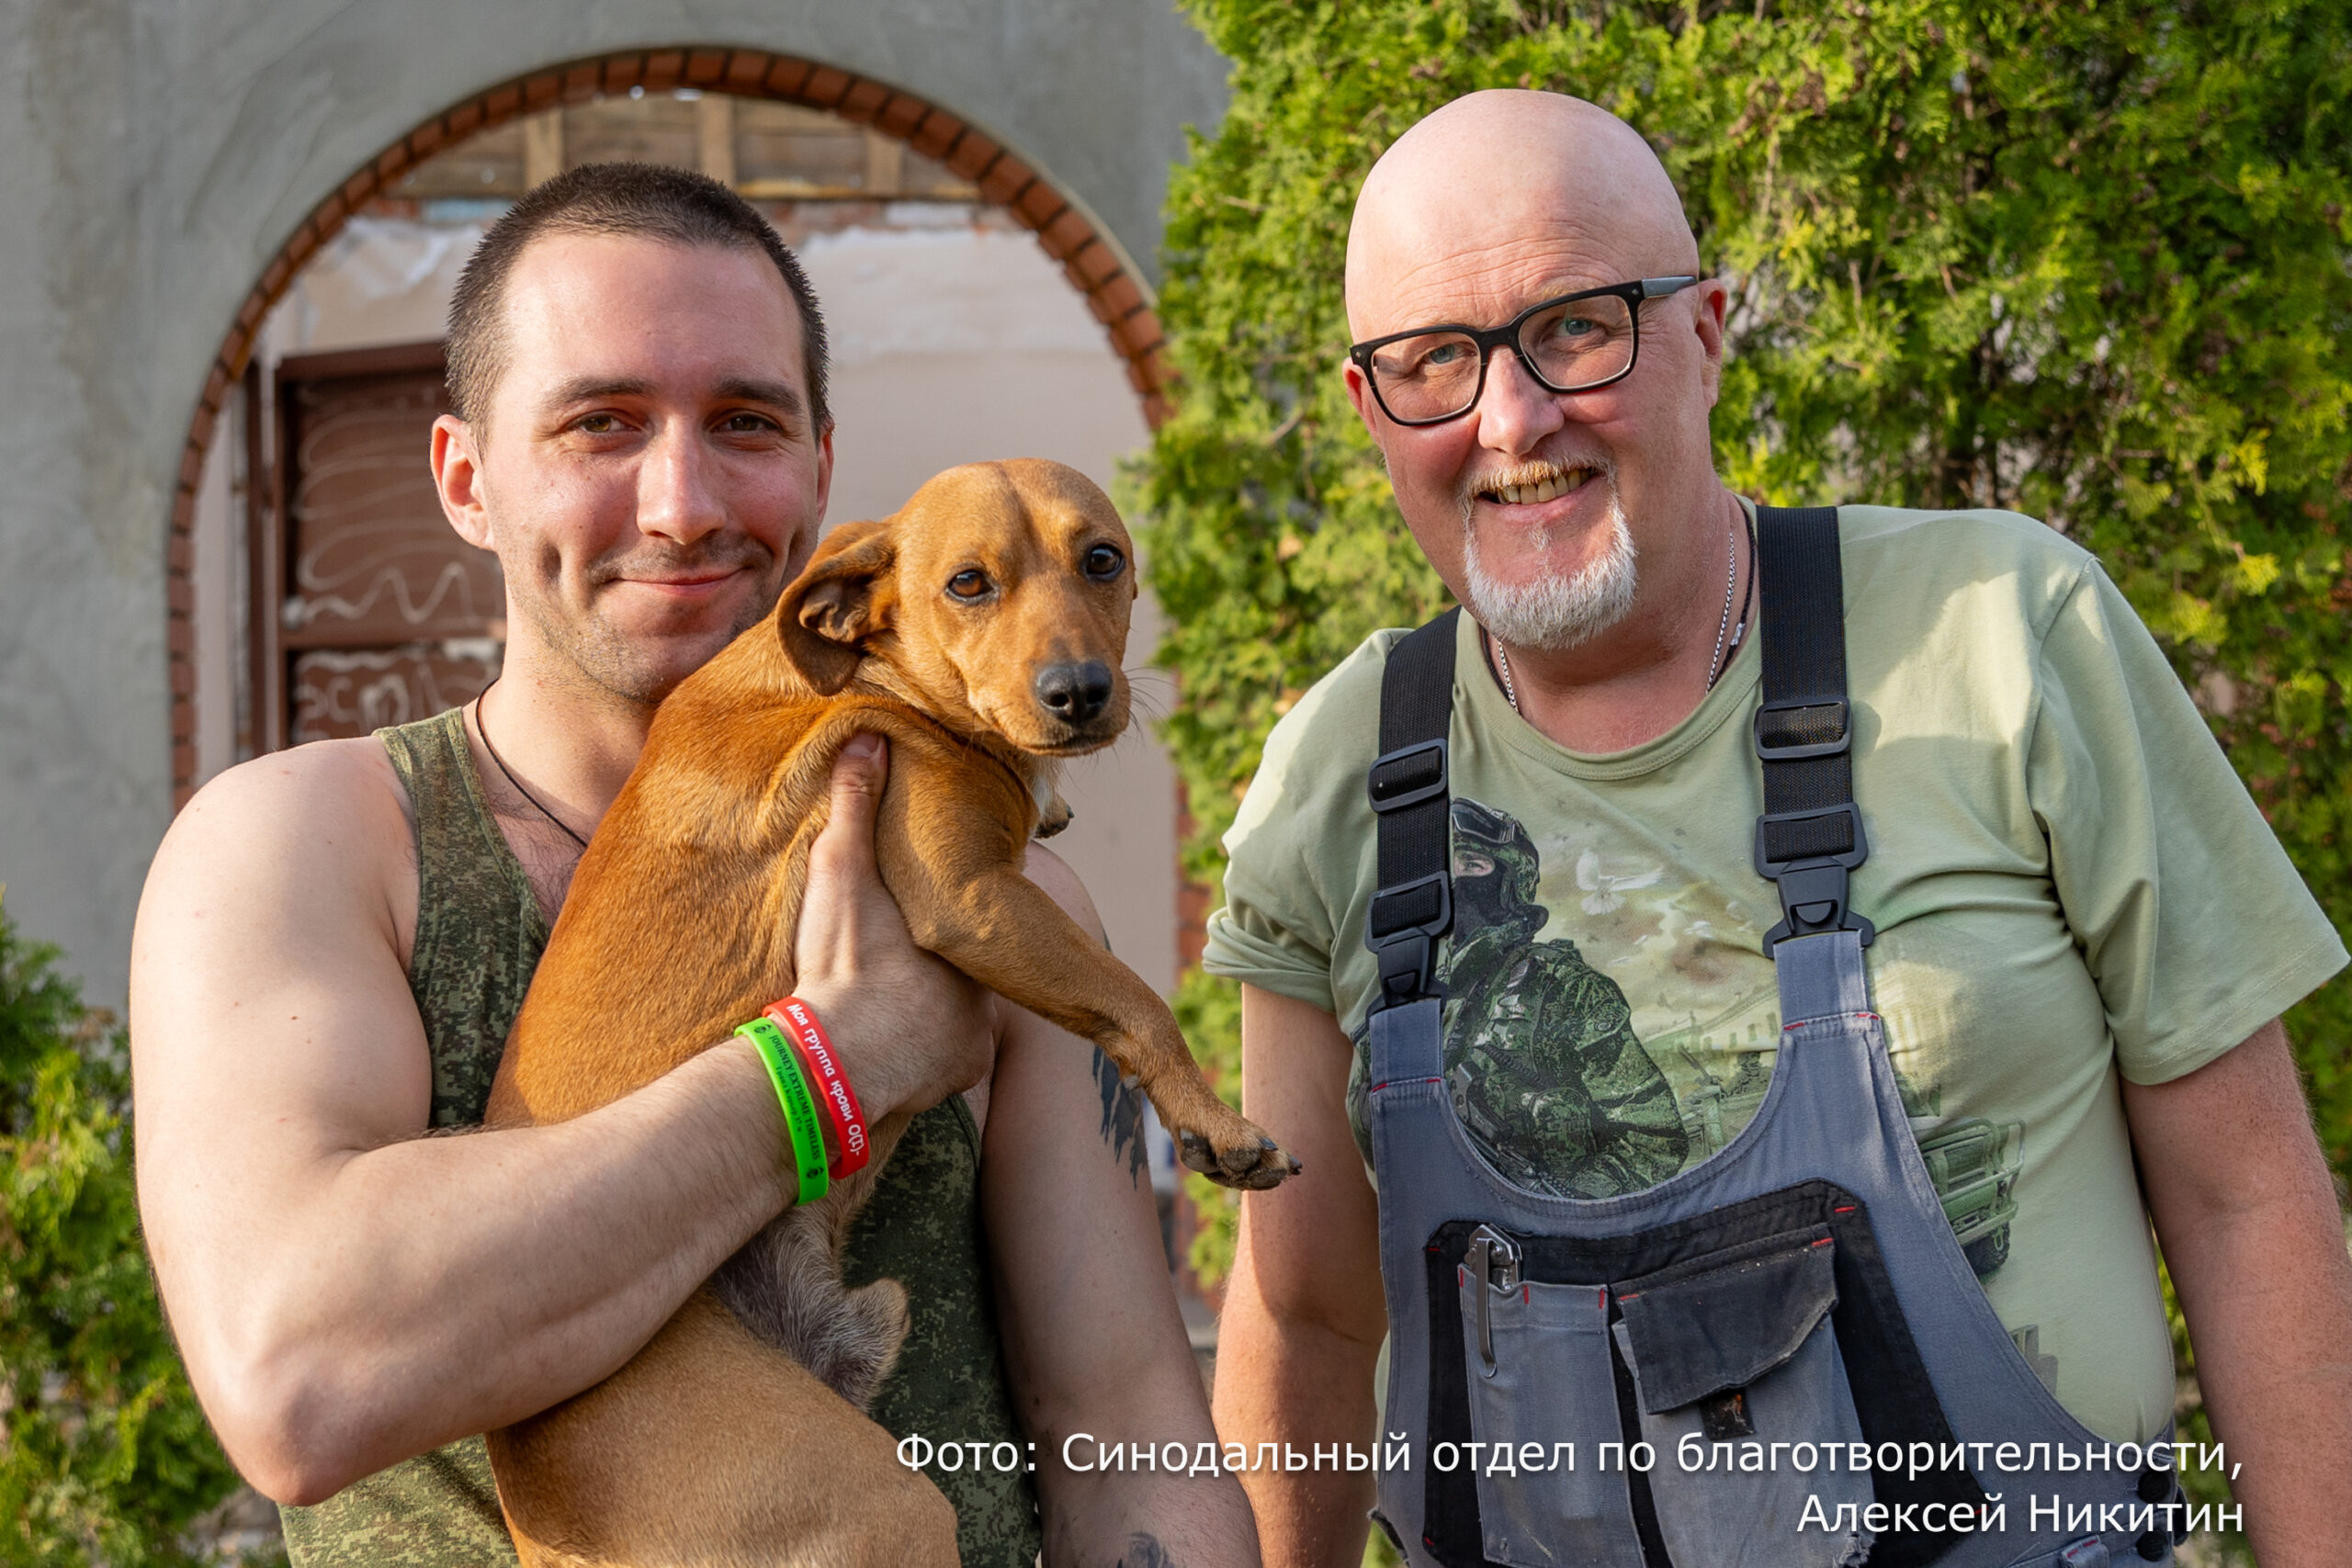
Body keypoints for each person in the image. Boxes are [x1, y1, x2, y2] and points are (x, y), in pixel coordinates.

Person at [1204, 89, 2352, 1567]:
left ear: (1705, 331)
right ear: (1372, 408)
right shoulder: (1334, 778)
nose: (1510, 420)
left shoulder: (2006, 631)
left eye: (1575, 326)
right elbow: (1301, 1318)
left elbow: (2247, 1196)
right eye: (1436, 361)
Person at [130, 164, 1257, 1568]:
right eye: (600, 424)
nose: (682, 501)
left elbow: (1128, 1432)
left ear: (823, 473)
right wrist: (831, 1062)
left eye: (746, 423)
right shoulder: (310, 846)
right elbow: (299, 1379)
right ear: (467, 478)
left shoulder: (1024, 908)